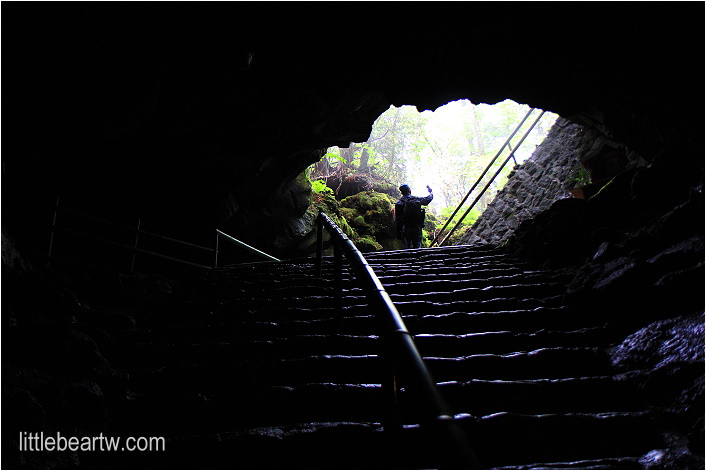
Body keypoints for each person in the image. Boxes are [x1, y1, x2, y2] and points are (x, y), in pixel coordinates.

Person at [395, 184, 433, 249]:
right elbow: (427, 200)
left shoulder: (399, 202)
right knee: (417, 247)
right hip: (417, 227)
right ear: (409, 190)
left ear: (401, 192)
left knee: (406, 248)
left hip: (405, 228)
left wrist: (398, 232)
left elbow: (398, 219)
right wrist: (431, 192)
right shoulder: (416, 199)